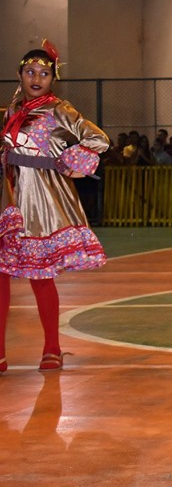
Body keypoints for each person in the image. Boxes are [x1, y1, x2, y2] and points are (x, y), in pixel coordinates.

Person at [0, 41, 109, 374]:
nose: (37, 78)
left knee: (40, 275)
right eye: (30, 72)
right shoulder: (10, 112)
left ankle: (52, 349)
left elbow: (97, 138)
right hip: (8, 195)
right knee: (0, 274)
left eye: (44, 74)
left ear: (52, 79)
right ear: (19, 75)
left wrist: (69, 162)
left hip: (41, 198)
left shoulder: (60, 109)